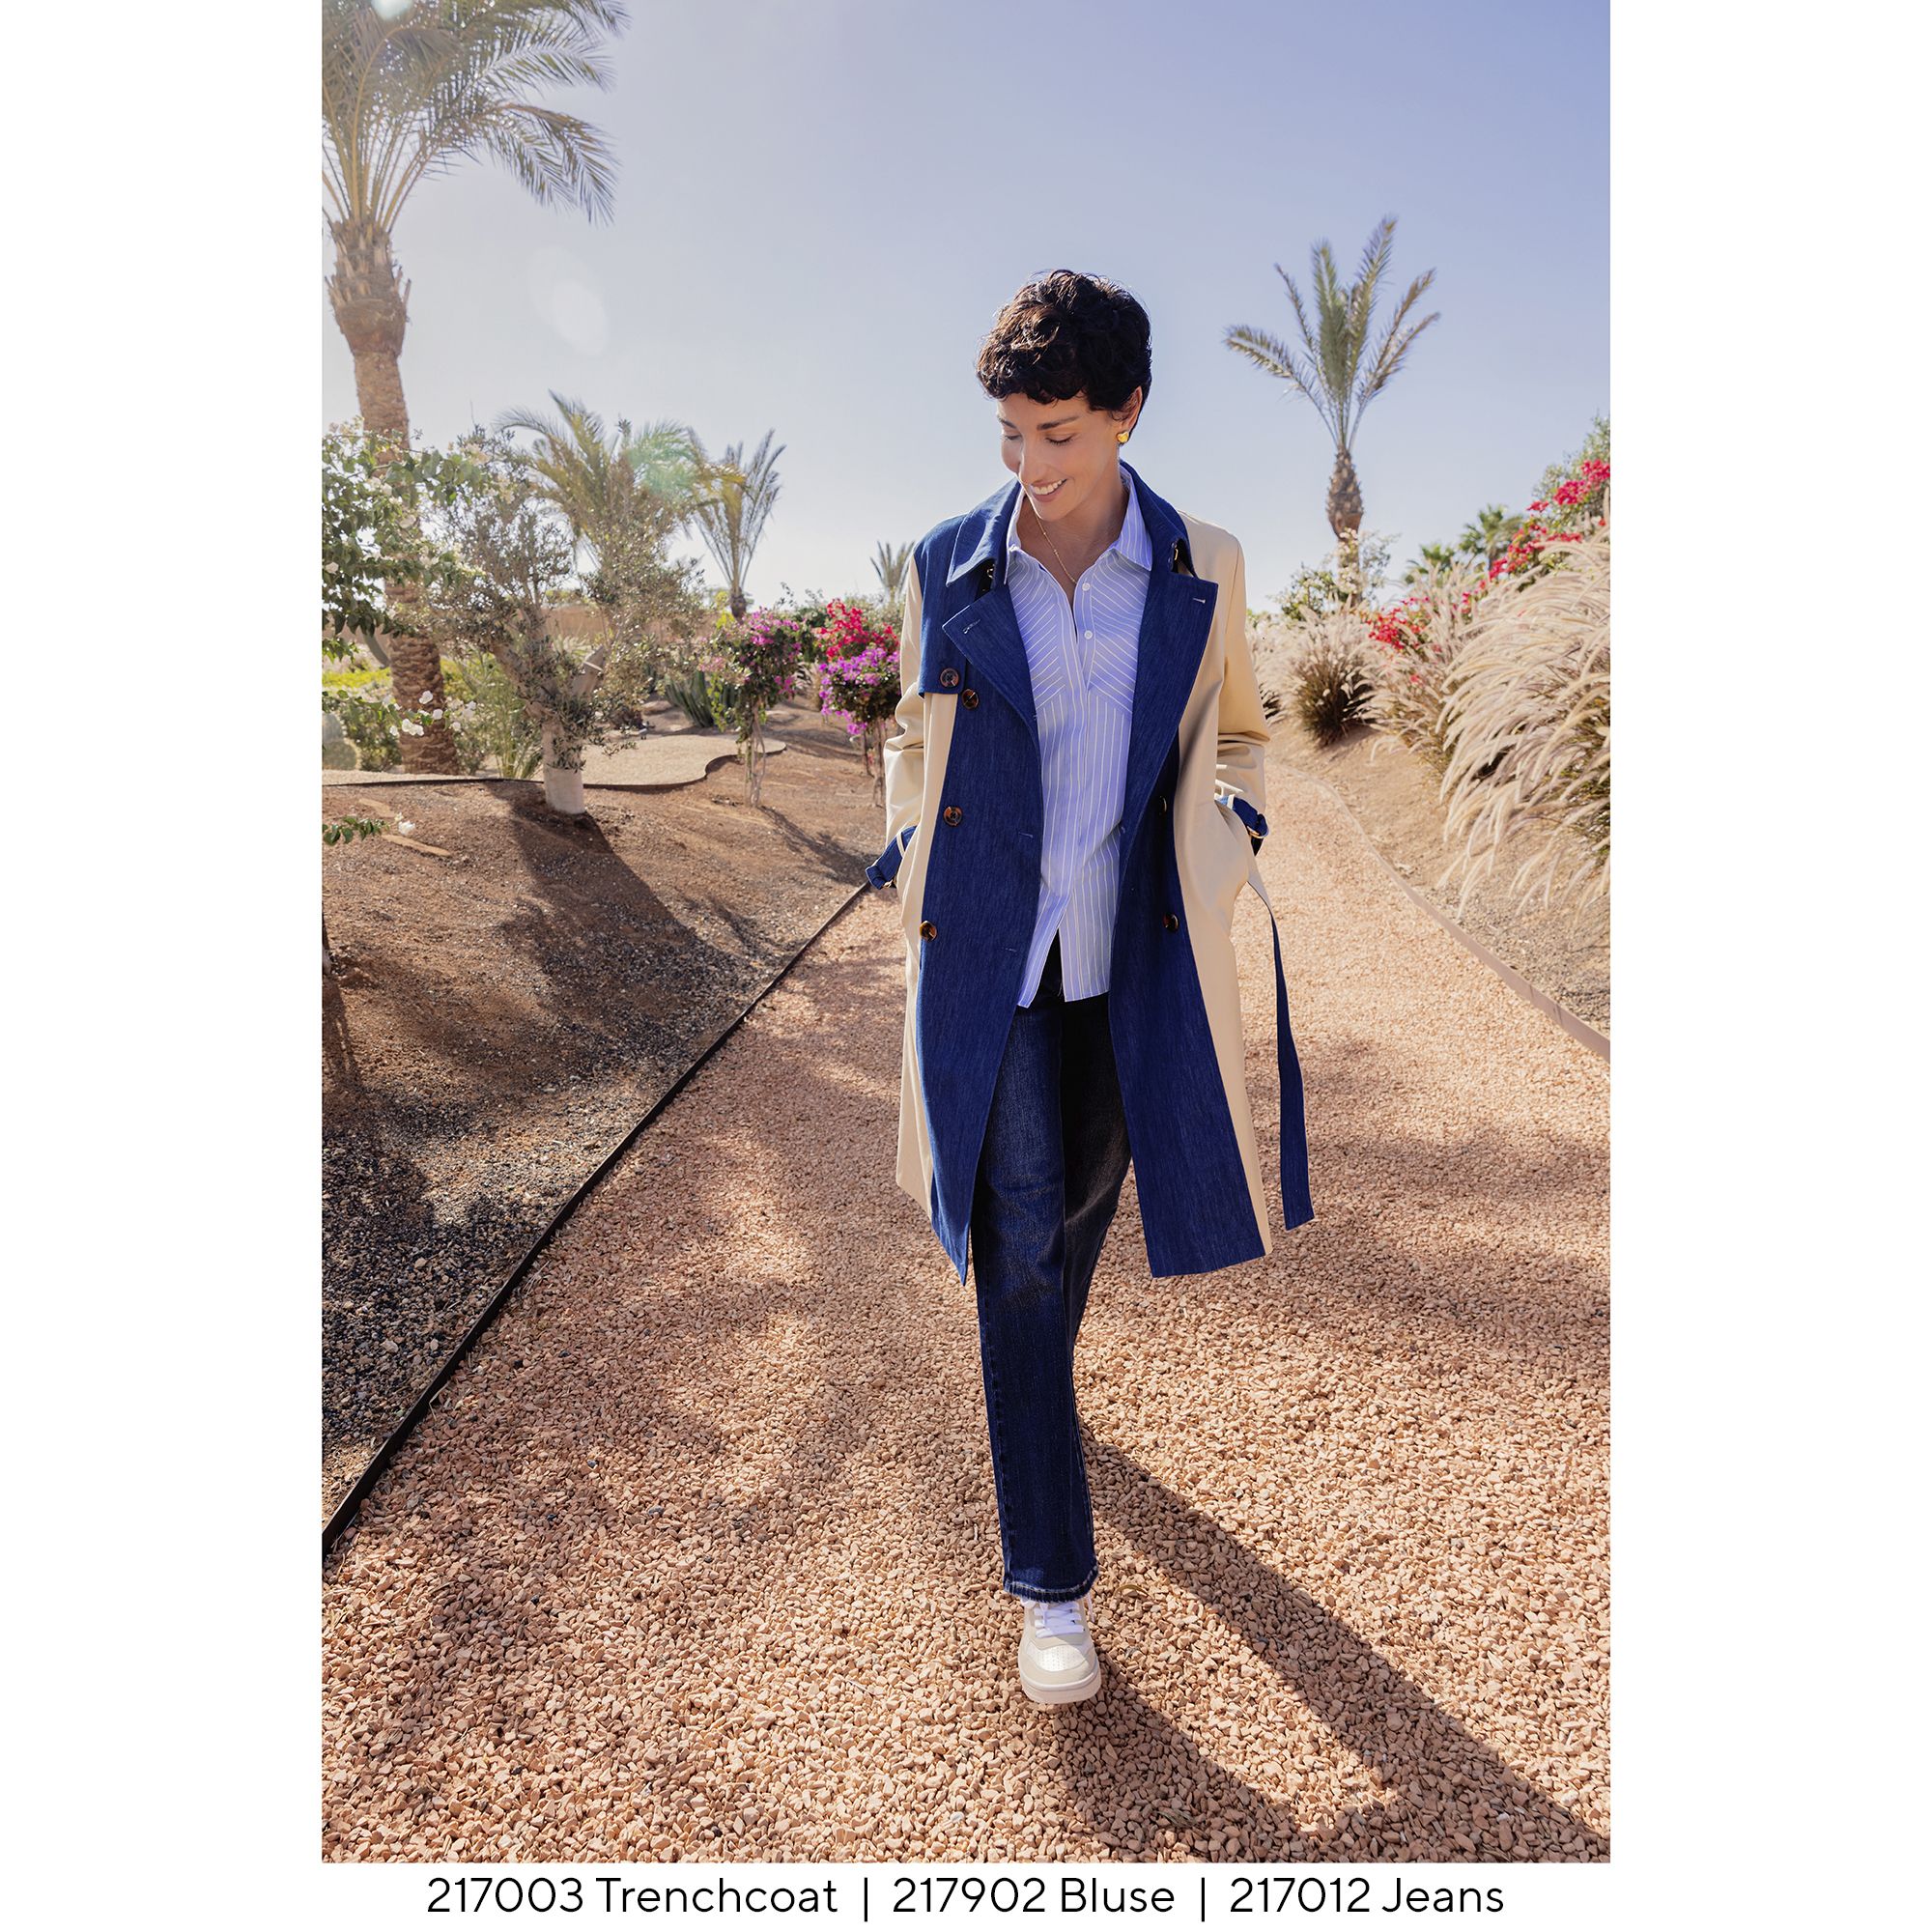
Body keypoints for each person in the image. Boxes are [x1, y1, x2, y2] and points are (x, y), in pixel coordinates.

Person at [867, 270, 1314, 1706]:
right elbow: (911, 737)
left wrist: (1227, 838)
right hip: (990, 956)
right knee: (1016, 1237)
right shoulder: (949, 563)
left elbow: (1237, 737)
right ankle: (1052, 1592)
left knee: (1075, 1208)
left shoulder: (1202, 563)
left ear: (1127, 412)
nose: (1033, 465)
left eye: (1058, 433)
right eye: (1012, 435)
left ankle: (1030, 1384)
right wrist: (908, 849)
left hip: (1137, 960)